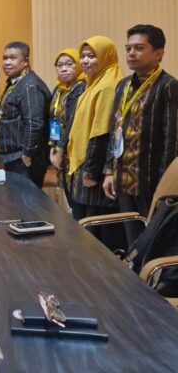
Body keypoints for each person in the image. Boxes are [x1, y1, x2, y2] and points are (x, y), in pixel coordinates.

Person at [102, 25, 178, 244]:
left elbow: (172, 141)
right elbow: (115, 130)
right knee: (132, 241)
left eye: (139, 48)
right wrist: (109, 171)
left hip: (151, 182)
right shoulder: (123, 85)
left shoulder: (168, 86)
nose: (131, 53)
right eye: (128, 48)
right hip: (123, 180)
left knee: (153, 244)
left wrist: (166, 189)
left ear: (158, 53)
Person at [67, 36, 124, 247]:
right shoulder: (92, 84)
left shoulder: (108, 85)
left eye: (92, 56)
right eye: (83, 56)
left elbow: (102, 132)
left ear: (106, 57)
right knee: (83, 226)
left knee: (94, 230)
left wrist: (91, 172)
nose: (85, 61)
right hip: (87, 164)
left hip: (96, 169)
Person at [0, 41, 51, 187]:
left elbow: (34, 123)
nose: (7, 62)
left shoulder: (30, 86)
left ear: (25, 61)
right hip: (14, 157)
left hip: (25, 159)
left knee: (26, 200)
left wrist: (27, 153)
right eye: (5, 58)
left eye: (13, 58)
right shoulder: (16, 82)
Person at [49, 49, 87, 204]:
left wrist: (60, 148)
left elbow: (72, 121)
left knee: (73, 193)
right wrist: (53, 145)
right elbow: (54, 119)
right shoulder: (59, 89)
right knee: (65, 190)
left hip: (72, 148)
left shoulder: (81, 87)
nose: (64, 69)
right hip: (59, 148)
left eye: (69, 64)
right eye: (60, 65)